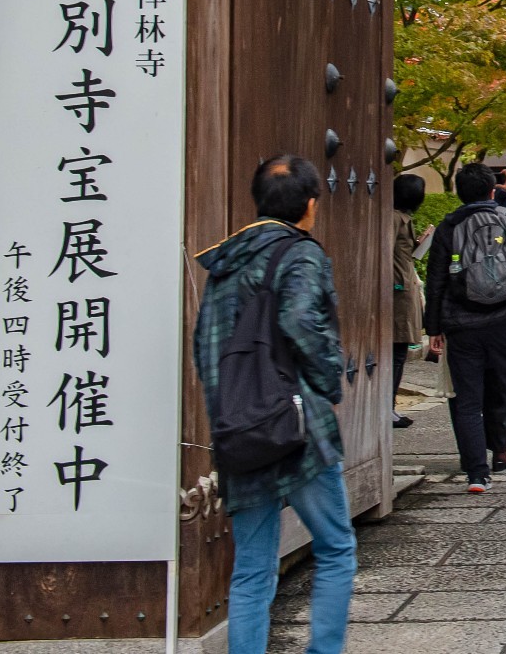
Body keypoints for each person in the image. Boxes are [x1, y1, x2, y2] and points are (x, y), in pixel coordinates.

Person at [194, 156, 356, 654]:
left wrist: (230, 413)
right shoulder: (300, 255)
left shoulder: (225, 262)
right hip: (295, 425)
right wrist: (329, 385)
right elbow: (304, 325)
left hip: (240, 430)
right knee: (336, 550)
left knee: (252, 569)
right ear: (310, 204)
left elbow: (206, 345)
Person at [425, 162, 506, 492]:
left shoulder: (449, 225)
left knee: (467, 400)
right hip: (505, 320)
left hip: (461, 323)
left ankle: (477, 475)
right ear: (492, 188)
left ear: (458, 192)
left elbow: (436, 279)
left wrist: (434, 327)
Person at [391, 173, 426, 428]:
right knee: (396, 351)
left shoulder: (401, 218)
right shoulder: (395, 219)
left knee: (399, 352)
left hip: (403, 288)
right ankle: (387, 406)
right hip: (398, 291)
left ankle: (388, 405)